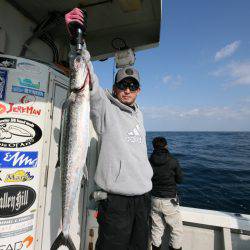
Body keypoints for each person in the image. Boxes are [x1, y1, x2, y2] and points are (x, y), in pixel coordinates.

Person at [65, 8, 153, 250]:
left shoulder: (139, 114)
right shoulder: (105, 107)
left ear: (139, 90)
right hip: (117, 204)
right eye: (122, 85)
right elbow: (87, 80)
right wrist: (78, 43)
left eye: (132, 86)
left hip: (143, 200)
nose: (127, 90)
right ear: (114, 88)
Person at [149, 137, 183, 250]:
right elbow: (180, 180)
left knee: (156, 228)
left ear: (154, 147)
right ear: (166, 146)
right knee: (176, 229)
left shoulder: (149, 160)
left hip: (154, 199)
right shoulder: (173, 160)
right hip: (169, 201)